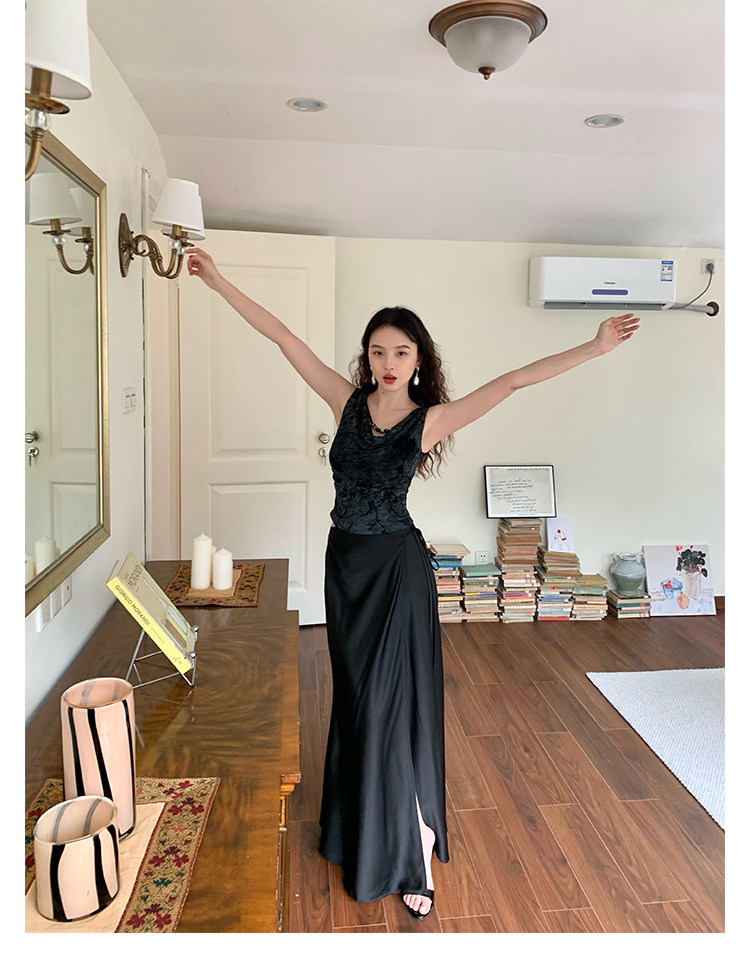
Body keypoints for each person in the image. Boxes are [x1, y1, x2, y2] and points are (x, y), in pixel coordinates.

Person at [185, 247, 640, 919]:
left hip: (396, 572)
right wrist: (220, 281)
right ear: (366, 358)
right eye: (377, 352)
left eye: (400, 352)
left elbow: (514, 381)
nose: (388, 362)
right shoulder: (344, 402)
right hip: (345, 565)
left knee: (386, 706)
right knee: (356, 699)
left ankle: (410, 849)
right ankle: (356, 827)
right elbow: (282, 336)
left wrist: (594, 347)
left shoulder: (430, 420)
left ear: (418, 359)